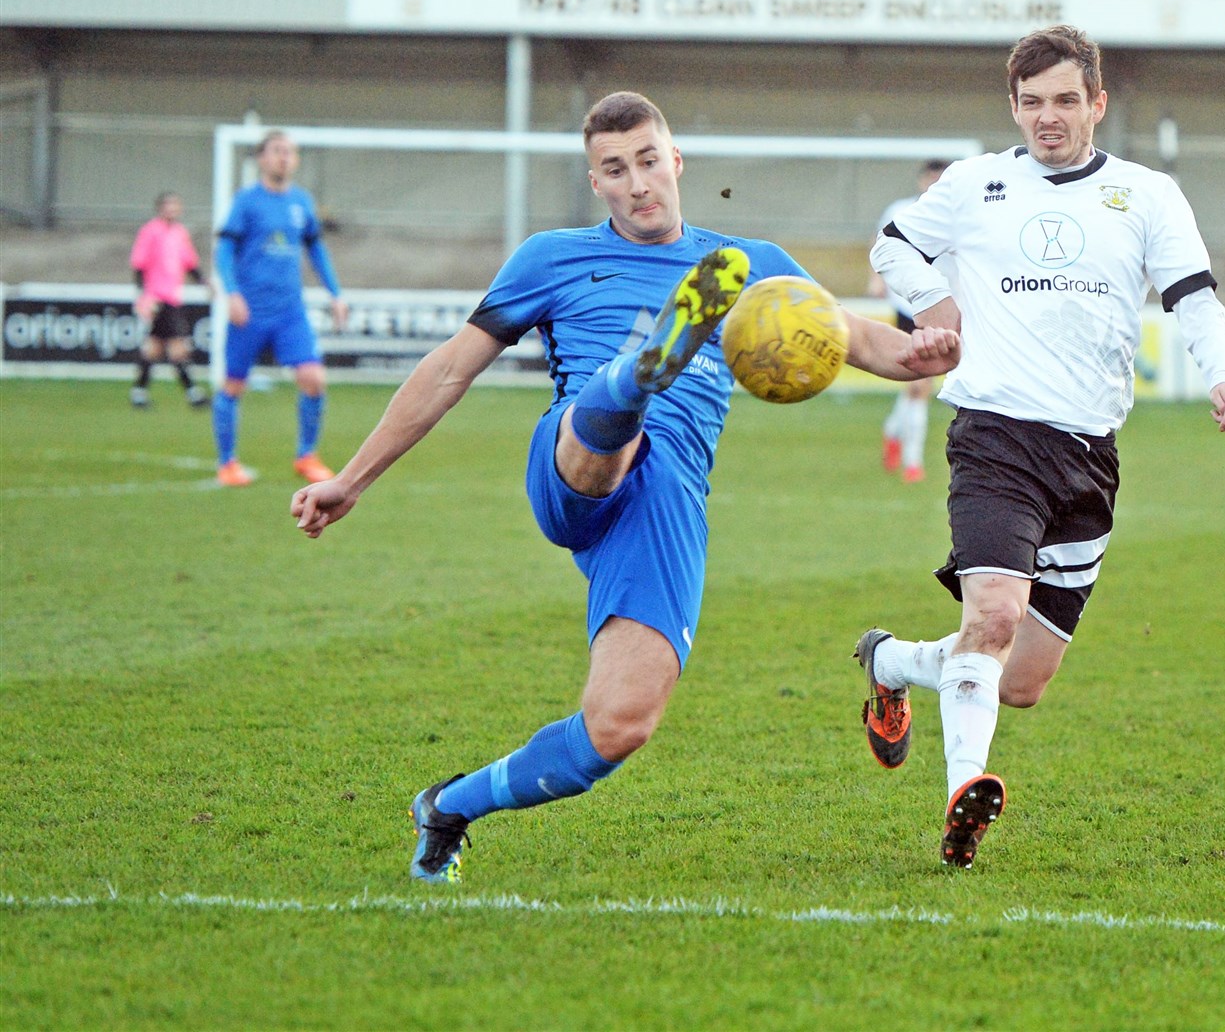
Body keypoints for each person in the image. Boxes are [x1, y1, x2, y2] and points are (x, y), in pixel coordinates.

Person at [288, 91, 961, 885]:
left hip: (664, 502)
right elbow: (447, 370)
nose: (637, 181)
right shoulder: (550, 256)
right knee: (612, 418)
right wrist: (351, 479)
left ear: (675, 163)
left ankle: (448, 806)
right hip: (572, 459)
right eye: (616, 169)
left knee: (618, 728)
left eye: (648, 161)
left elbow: (868, 344)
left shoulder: (756, 265)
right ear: (596, 183)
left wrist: (934, 347)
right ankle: (640, 373)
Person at [858, 24, 1225, 869]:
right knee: (992, 616)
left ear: (1097, 105)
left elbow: (1192, 294)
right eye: (1031, 102)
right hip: (994, 438)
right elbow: (892, 243)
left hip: (1088, 456)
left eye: (1065, 101)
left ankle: (889, 661)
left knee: (1022, 680)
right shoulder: (976, 184)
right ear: (1013, 106)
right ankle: (963, 794)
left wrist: (1223, 373)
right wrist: (937, 305)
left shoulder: (1147, 195)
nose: (1048, 118)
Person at [212, 130, 349, 487]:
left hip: (290, 311)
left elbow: (316, 251)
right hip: (251, 310)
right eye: (276, 151)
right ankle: (227, 463)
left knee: (314, 379)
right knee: (233, 385)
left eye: (289, 152)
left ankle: (306, 455)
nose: (283, 157)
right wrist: (232, 293)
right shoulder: (246, 201)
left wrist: (335, 293)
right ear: (262, 158)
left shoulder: (301, 202)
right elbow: (224, 251)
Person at [868, 159, 948, 483]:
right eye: (931, 178)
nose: (934, 184)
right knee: (919, 384)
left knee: (920, 386)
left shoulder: (956, 213)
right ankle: (913, 462)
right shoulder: (900, 210)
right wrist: (875, 280)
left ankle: (893, 432)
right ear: (921, 181)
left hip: (940, 305)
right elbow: (879, 245)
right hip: (905, 306)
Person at [128, 192, 212, 409]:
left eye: (176, 205)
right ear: (160, 208)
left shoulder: (179, 233)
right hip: (157, 297)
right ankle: (193, 394)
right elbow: (139, 263)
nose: (172, 209)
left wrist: (204, 281)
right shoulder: (150, 231)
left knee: (154, 347)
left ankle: (139, 393)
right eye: (168, 205)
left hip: (172, 297)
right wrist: (144, 295)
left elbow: (189, 263)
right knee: (178, 345)